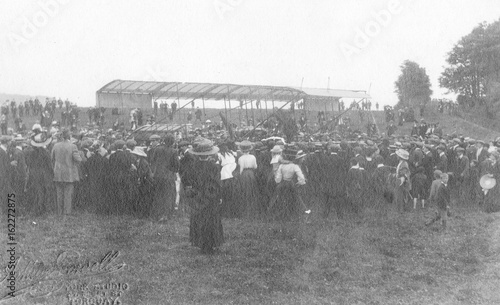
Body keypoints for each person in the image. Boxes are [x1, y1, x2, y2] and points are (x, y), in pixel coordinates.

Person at [181, 138, 224, 254]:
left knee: (199, 219)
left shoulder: (192, 166)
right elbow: (217, 183)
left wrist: (192, 191)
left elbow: (185, 180)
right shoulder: (214, 167)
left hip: (197, 197)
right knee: (211, 220)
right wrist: (217, 196)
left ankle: (200, 243)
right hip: (211, 197)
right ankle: (211, 244)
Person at [51, 129, 83, 216]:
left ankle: (59, 211)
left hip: (58, 173)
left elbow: (52, 158)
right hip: (69, 173)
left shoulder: (55, 145)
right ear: (69, 136)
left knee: (59, 193)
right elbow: (78, 159)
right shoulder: (73, 146)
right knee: (68, 194)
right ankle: (67, 212)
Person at [149, 134, 180, 221]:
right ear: (172, 142)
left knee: (158, 195)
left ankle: (155, 215)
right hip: (168, 176)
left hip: (158, 175)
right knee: (168, 196)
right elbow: (177, 165)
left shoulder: (157, 149)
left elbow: (153, 160)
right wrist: (173, 170)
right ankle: (165, 215)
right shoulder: (173, 151)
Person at [237, 140, 259, 219]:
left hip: (244, 174)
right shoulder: (253, 157)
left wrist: (239, 176)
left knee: (244, 190)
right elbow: (255, 167)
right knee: (252, 190)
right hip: (251, 173)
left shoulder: (241, 158)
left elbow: (241, 169)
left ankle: (244, 209)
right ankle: (252, 208)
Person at [218, 142, 238, 217]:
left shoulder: (220, 155)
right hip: (233, 170)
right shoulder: (231, 153)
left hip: (225, 173)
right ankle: (233, 212)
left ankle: (226, 212)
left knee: (225, 193)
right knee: (232, 193)